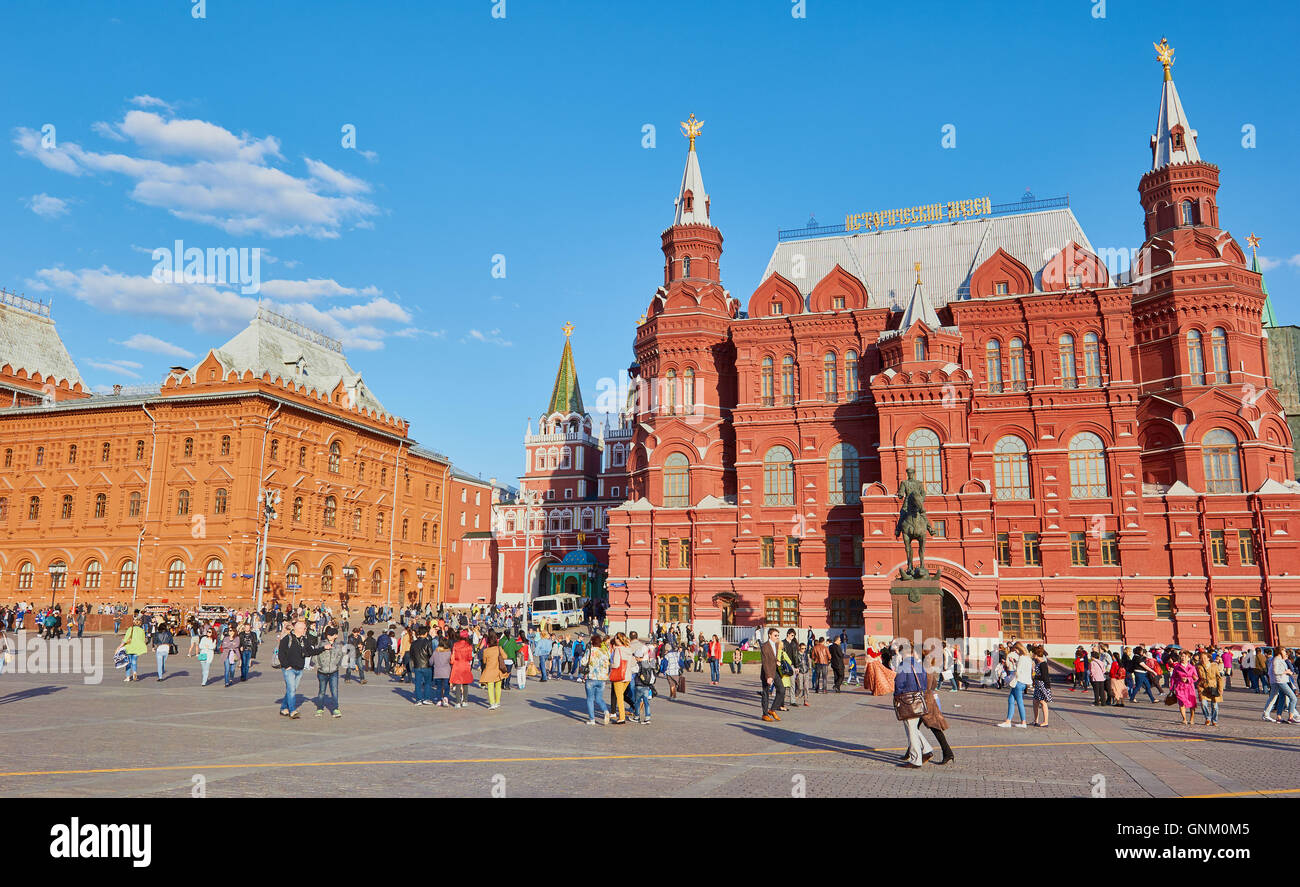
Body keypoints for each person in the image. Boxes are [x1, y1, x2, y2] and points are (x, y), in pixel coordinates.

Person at [894, 646, 933, 768]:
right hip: (918, 698)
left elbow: (899, 683)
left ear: (902, 653)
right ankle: (926, 749)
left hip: (907, 700)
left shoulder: (903, 665)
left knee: (911, 730)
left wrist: (896, 696)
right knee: (914, 728)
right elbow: (924, 682)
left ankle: (916, 759)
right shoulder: (918, 664)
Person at [278, 620, 326, 719]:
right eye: (304, 628)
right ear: (298, 629)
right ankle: (292, 711)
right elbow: (281, 654)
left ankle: (283, 708)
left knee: (292, 689)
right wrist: (286, 666)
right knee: (291, 690)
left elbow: (310, 652)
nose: (305, 630)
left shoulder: (304, 640)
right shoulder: (287, 639)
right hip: (289, 669)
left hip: (299, 669)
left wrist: (323, 648)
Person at [996, 642, 1031, 728]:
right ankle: (1009, 720)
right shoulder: (1028, 658)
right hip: (1024, 682)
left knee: (1019, 702)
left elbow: (1017, 672)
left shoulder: (1022, 658)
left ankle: (1023, 722)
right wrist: (1014, 663)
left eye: (1016, 651)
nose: (1016, 653)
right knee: (1011, 699)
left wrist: (1005, 676)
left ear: (1018, 649)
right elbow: (1023, 670)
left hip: (1018, 682)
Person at [314, 627, 346, 717]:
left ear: (335, 636)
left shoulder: (338, 646)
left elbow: (341, 655)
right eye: (328, 634)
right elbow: (315, 655)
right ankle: (320, 708)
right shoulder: (321, 644)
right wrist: (319, 665)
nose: (329, 636)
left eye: (331, 635)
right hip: (322, 671)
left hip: (333, 671)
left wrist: (336, 664)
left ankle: (335, 708)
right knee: (322, 691)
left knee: (334, 691)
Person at [582, 633, 612, 725]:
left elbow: (583, 662)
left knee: (590, 699)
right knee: (599, 698)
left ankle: (592, 719)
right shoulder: (604, 652)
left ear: (592, 642)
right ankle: (605, 711)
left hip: (591, 677)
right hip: (602, 678)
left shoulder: (590, 651)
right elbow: (608, 663)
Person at [1263, 647, 1298, 723]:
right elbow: (1275, 671)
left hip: (1280, 681)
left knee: (1279, 698)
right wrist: (1286, 672)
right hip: (1280, 681)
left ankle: (1277, 717)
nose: (1285, 652)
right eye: (1283, 650)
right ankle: (1291, 717)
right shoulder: (1276, 660)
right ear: (1279, 651)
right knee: (1293, 698)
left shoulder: (1279, 659)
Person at [760, 628, 785, 722]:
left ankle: (772, 709)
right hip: (767, 672)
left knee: (781, 690)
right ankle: (765, 714)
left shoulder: (776, 644)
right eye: (775, 635)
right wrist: (768, 676)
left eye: (778, 635)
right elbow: (765, 662)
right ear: (769, 635)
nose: (777, 637)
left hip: (775, 671)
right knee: (766, 693)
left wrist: (777, 661)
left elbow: (773, 657)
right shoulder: (765, 646)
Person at [1170, 649, 1200, 726]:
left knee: (1192, 704)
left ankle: (1192, 718)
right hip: (1180, 687)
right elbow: (1173, 677)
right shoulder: (1177, 667)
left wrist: (1188, 679)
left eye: (1184, 656)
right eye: (1181, 656)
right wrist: (1172, 687)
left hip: (1190, 687)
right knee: (1181, 703)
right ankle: (1184, 719)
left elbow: (1196, 678)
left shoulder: (1192, 667)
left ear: (1189, 658)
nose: (1182, 658)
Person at [479, 630, 507, 710]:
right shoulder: (499, 648)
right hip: (498, 670)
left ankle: (492, 703)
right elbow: (505, 656)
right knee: (498, 686)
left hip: (489, 670)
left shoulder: (486, 651)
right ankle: (497, 702)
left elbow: (484, 661)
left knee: (490, 687)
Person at [1195, 649, 1224, 727]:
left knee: (1214, 706)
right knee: (1203, 704)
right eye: (1201, 658)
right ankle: (1207, 718)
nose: (1203, 659)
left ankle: (1214, 720)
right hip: (1203, 688)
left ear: (1208, 658)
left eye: (1204, 658)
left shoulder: (1214, 665)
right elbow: (1195, 676)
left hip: (1213, 687)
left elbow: (1219, 678)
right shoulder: (1198, 666)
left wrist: (1220, 689)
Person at [408, 624, 434, 706]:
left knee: (418, 683)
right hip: (426, 665)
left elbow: (411, 654)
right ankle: (426, 698)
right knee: (427, 683)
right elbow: (430, 654)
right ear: (426, 633)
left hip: (417, 665)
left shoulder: (414, 643)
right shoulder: (428, 642)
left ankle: (418, 699)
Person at [608, 633, 632, 724]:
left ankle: (622, 717)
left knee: (619, 697)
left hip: (619, 676)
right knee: (621, 695)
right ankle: (632, 708)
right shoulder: (629, 649)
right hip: (628, 676)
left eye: (615, 639)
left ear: (619, 640)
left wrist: (610, 664)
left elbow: (616, 664)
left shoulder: (618, 650)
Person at [450, 629, 475, 708]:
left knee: (457, 683)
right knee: (465, 683)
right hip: (465, 665)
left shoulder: (455, 645)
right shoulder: (469, 646)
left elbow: (453, 655)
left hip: (457, 665)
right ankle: (465, 701)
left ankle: (457, 702)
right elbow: (470, 657)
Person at [1030, 645, 1052, 727]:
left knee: (1043, 702)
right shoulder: (1037, 663)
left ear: (1035, 654)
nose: (1031, 655)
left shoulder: (1043, 664)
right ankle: (1035, 720)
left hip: (1043, 685)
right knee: (1035, 702)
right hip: (1038, 685)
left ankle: (1046, 721)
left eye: (1032, 653)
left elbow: (1045, 676)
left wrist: (1035, 677)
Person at [433, 638, 453, 706]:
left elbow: (431, 662)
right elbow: (451, 661)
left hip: (437, 672)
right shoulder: (449, 652)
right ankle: (445, 698)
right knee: (446, 686)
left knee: (438, 687)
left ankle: (439, 700)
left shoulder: (435, 652)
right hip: (446, 672)